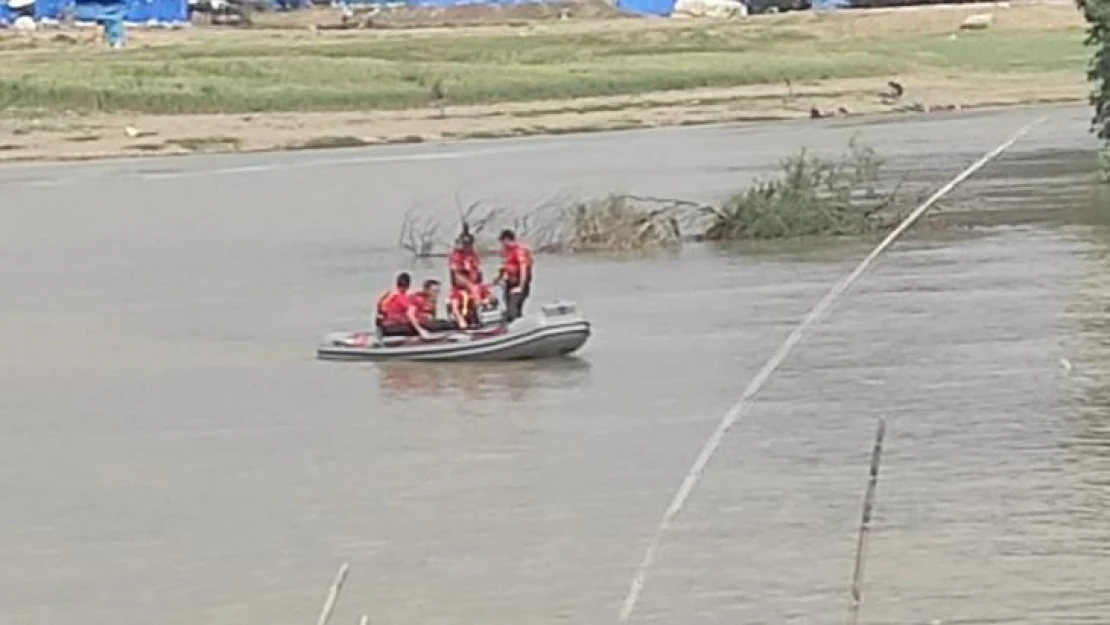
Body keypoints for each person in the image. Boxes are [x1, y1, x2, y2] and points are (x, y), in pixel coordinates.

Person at [493, 229, 533, 322]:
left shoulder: (519, 251)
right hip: (509, 284)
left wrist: (520, 287)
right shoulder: (506, 252)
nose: (501, 244)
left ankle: (516, 324)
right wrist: (496, 280)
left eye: (502, 241)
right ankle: (512, 322)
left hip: (520, 284)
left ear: (507, 239)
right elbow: (504, 268)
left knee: (513, 308)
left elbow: (523, 270)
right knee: (508, 306)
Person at [449, 226, 485, 302]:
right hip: (461, 283)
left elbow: (477, 271)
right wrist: (470, 285)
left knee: (488, 294)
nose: (467, 246)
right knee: (473, 288)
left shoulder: (474, 255)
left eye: (469, 244)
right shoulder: (456, 255)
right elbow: (456, 275)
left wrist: (476, 282)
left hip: (474, 281)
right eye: (465, 244)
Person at [375, 272, 413, 336]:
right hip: (394, 325)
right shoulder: (402, 296)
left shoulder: (388, 294)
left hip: (385, 325)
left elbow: (380, 308)